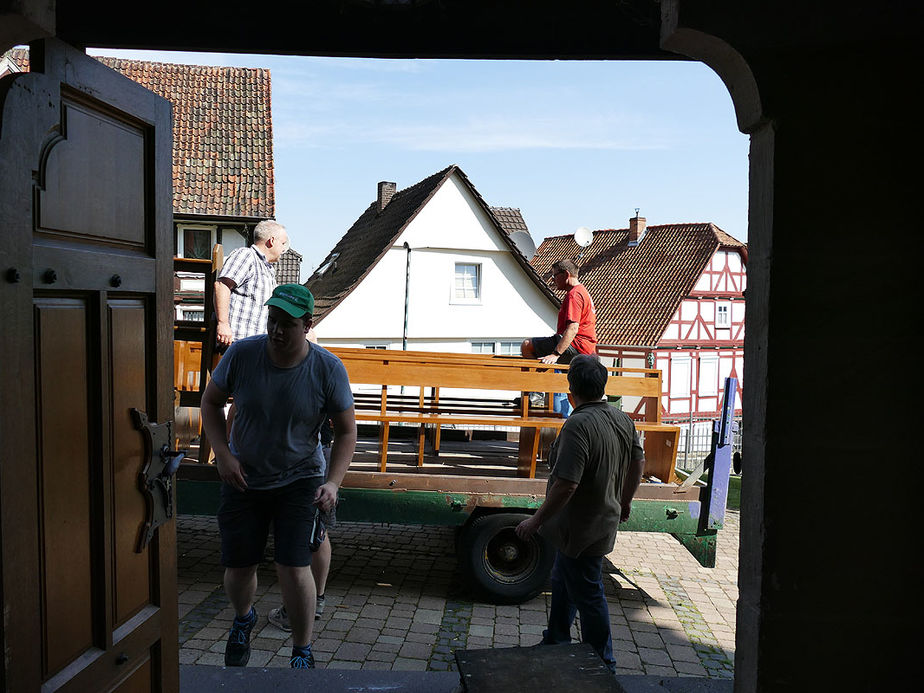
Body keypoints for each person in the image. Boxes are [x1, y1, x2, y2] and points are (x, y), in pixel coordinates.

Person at [200, 283, 357, 670]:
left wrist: (333, 482)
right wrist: (222, 454)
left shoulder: (327, 368)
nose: (276, 330)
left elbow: (347, 431)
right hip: (243, 478)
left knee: (293, 566)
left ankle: (302, 649)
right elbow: (211, 402)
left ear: (306, 325)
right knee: (238, 568)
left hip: (300, 480)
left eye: (286, 323)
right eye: (272, 320)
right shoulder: (242, 354)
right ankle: (243, 618)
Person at [515, 354, 645, 674]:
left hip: (579, 526)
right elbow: (637, 463)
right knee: (563, 577)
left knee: (588, 593)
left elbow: (566, 485)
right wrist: (625, 500)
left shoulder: (578, 424)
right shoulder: (623, 419)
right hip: (599, 521)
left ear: (570, 389)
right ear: (603, 386)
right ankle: (558, 638)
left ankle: (603, 662)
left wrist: (536, 520)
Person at [268, 327, 335, 632]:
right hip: (314, 454)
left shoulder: (317, 365)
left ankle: (303, 606)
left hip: (312, 458)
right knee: (314, 532)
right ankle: (312, 601)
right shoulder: (315, 360)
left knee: (309, 536)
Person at [215, 219, 290, 347]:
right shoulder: (247, 256)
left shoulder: (268, 269)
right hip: (237, 342)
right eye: (283, 243)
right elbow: (222, 285)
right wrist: (223, 323)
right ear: (271, 241)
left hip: (255, 345)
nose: (284, 249)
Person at [521, 258, 597, 366]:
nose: (553, 280)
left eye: (554, 275)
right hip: (587, 349)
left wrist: (556, 354)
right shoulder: (582, 291)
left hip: (576, 346)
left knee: (527, 345)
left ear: (566, 274)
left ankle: (540, 381)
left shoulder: (574, 295)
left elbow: (573, 328)